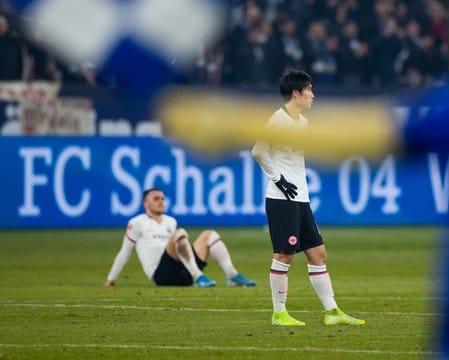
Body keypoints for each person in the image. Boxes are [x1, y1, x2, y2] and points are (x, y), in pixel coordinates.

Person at [251, 69, 365, 327]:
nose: (313, 95)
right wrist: (277, 179)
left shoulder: (302, 122)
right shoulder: (277, 120)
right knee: (285, 254)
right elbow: (258, 150)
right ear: (296, 93)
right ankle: (279, 313)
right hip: (281, 198)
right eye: (309, 90)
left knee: (318, 254)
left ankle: (332, 312)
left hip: (300, 198)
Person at [105, 188, 256, 288]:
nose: (161, 201)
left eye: (163, 198)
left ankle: (232, 275)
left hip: (184, 271)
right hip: (161, 275)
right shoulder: (136, 223)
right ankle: (198, 276)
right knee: (180, 233)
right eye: (156, 198)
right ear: (146, 203)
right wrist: (111, 279)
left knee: (210, 235)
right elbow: (125, 252)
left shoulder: (170, 221)